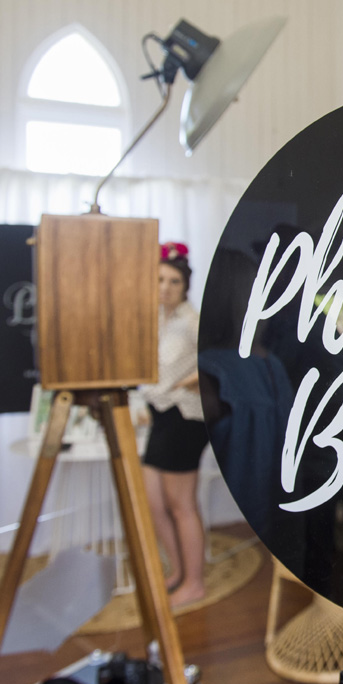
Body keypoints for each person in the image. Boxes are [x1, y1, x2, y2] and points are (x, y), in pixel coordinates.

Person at [140, 241, 209, 608]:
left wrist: (191, 380)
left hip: (185, 418)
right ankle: (178, 570)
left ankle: (194, 582)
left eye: (173, 281)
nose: (165, 288)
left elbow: (219, 359)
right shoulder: (154, 319)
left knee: (181, 504)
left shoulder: (193, 322)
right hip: (160, 415)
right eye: (159, 280)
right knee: (153, 501)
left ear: (185, 286)